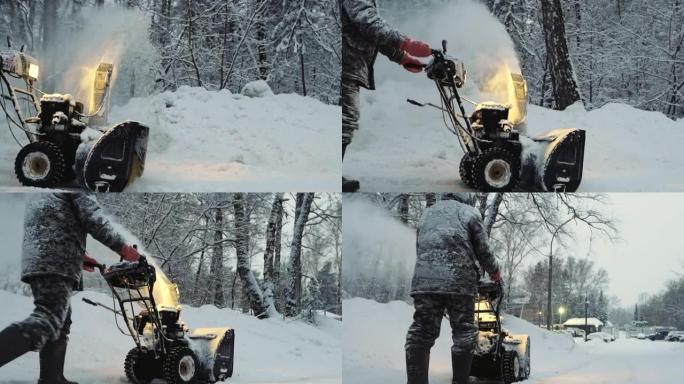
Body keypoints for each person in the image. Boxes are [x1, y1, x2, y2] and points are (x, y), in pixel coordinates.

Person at [0, 193, 141, 384]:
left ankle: (52, 378)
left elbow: (51, 222)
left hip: (41, 257)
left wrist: (79, 255)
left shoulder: (44, 191)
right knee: (48, 318)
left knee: (60, 321)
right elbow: (94, 219)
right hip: (56, 260)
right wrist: (123, 248)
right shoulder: (74, 183)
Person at [405, 193, 502, 384]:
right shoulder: (469, 213)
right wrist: (495, 273)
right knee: (464, 332)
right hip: (459, 283)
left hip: (425, 283)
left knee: (421, 332)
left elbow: (420, 247)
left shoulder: (427, 214)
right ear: (466, 198)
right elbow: (483, 250)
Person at [340, 0, 433, 192]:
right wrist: (406, 43)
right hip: (346, 64)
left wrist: (402, 57)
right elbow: (369, 23)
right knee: (345, 120)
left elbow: (370, 35)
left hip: (352, 64)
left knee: (346, 120)